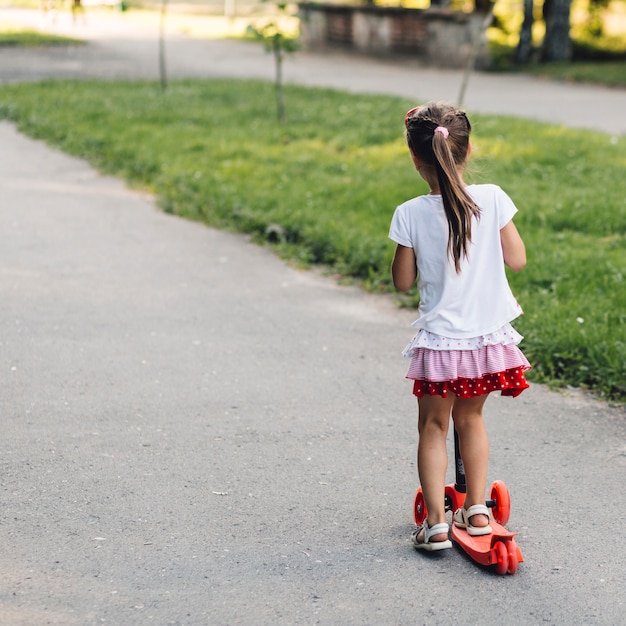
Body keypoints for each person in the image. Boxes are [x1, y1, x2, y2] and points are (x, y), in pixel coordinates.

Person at [388, 102, 530, 551]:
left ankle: (434, 524)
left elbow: (402, 281)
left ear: (415, 157)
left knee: (433, 428)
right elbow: (518, 259)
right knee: (472, 419)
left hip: (441, 343)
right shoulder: (492, 197)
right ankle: (477, 510)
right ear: (467, 152)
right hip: (487, 340)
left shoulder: (408, 212)